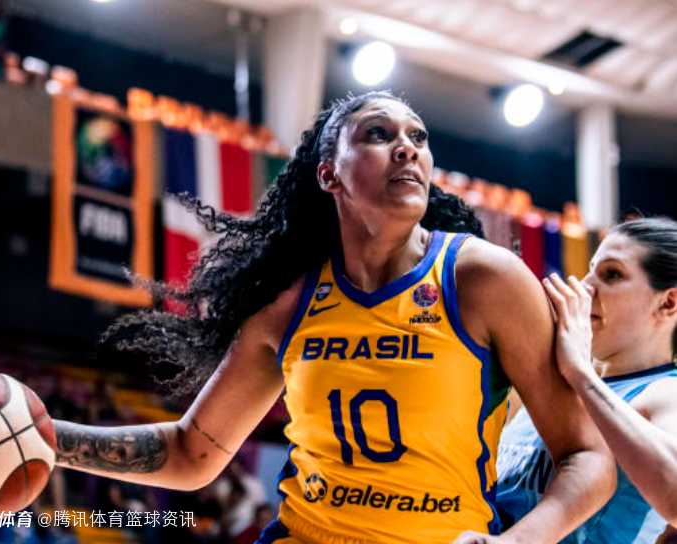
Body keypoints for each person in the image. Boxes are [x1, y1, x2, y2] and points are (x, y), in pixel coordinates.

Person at [50, 91, 616, 544]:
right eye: (379, 134)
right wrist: (46, 437)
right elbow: (192, 451)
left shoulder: (484, 279)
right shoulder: (289, 303)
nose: (407, 148)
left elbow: (588, 457)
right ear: (329, 175)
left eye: (418, 137)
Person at [496, 217, 677, 543]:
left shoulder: (665, 391)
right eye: (591, 270)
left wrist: (580, 372)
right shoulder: (556, 379)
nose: (584, 285)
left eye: (612, 274)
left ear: (668, 302)